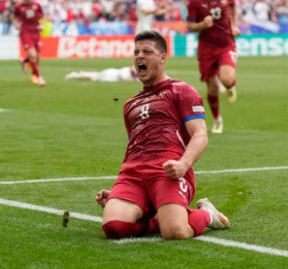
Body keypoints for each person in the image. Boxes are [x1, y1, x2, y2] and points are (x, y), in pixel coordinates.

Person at [95, 30, 230, 240]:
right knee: (113, 228)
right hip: (133, 174)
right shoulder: (130, 104)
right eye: (136, 52)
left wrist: (184, 165)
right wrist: (118, 194)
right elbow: (136, 147)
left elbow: (200, 135)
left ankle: (206, 214)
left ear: (163, 57)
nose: (139, 56)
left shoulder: (181, 91)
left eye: (147, 51)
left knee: (175, 232)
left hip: (168, 172)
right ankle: (156, 214)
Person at [186, 0, 241, 134]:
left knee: (226, 79)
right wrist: (203, 24)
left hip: (226, 43)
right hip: (206, 48)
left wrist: (234, 25)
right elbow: (190, 26)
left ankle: (231, 86)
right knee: (212, 89)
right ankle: (217, 119)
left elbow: (233, 7)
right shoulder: (194, 0)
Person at [12, 0, 45, 87]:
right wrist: (15, 24)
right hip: (25, 31)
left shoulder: (36, 4)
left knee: (37, 56)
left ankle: (24, 61)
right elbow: (13, 16)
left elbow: (44, 16)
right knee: (33, 54)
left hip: (36, 31)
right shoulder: (18, 6)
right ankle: (39, 78)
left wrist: (42, 24)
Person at [64, 66, 137, 82]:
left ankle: (76, 75)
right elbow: (123, 79)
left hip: (110, 75)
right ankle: (75, 75)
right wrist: (134, 80)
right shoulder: (126, 70)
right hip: (109, 75)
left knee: (94, 76)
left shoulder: (129, 71)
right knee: (93, 77)